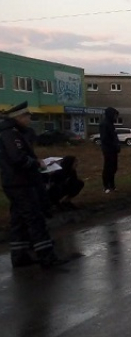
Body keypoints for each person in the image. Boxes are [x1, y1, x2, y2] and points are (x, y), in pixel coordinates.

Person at [0, 101, 67, 268]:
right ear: (19, 117)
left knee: (19, 219)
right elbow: (18, 159)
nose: (29, 119)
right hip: (21, 183)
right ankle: (47, 256)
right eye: (27, 116)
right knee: (34, 218)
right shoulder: (11, 134)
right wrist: (38, 164)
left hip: (15, 182)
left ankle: (20, 255)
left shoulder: (12, 132)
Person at [99, 107, 120, 193]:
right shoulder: (104, 124)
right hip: (108, 149)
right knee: (108, 168)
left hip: (113, 149)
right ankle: (106, 186)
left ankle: (112, 185)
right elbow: (105, 138)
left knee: (114, 168)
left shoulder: (111, 124)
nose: (116, 117)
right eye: (115, 115)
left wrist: (117, 145)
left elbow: (114, 136)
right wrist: (113, 145)